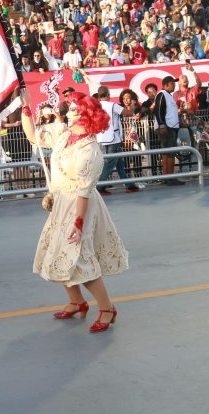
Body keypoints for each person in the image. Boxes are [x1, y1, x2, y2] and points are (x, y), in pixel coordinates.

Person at [20, 90, 128, 333]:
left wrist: (78, 224)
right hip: (61, 203)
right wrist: (26, 108)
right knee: (56, 253)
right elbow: (32, 135)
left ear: (85, 115)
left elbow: (84, 191)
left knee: (79, 258)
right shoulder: (63, 134)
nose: (67, 111)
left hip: (81, 206)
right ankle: (77, 302)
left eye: (72, 109)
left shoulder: (89, 150)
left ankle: (107, 308)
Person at [95, 85, 139, 194]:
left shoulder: (96, 106)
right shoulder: (112, 105)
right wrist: (132, 106)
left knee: (119, 163)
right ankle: (98, 188)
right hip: (113, 138)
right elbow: (128, 113)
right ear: (108, 95)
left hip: (101, 137)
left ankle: (129, 185)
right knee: (110, 163)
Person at [153, 76, 186, 185]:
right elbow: (158, 110)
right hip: (167, 128)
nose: (174, 85)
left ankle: (167, 177)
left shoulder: (167, 96)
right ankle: (170, 177)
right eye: (172, 84)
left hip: (170, 127)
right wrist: (162, 125)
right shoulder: (162, 94)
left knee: (167, 153)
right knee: (170, 153)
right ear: (165, 85)